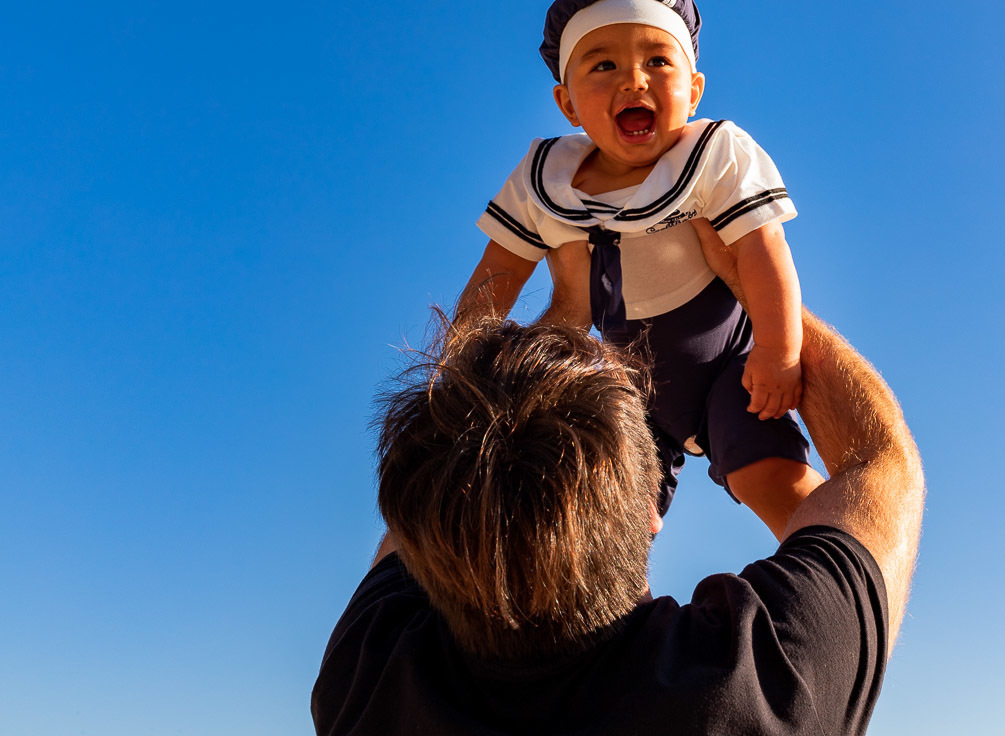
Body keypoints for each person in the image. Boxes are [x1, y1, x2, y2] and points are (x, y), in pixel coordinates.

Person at [311, 219, 925, 735]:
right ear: (650, 513)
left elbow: (427, 495)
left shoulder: (368, 684)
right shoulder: (755, 690)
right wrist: (754, 295)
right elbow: (880, 465)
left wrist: (563, 313)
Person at [458, 0, 811, 518]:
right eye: (603, 65)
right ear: (568, 104)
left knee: (768, 478)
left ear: (694, 90)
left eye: (657, 61)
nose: (634, 79)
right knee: (602, 519)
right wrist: (459, 372)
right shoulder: (543, 178)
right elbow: (493, 280)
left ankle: (828, 561)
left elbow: (762, 249)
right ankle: (622, 602)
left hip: (732, 366)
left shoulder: (714, 154)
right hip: (629, 393)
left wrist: (777, 349)